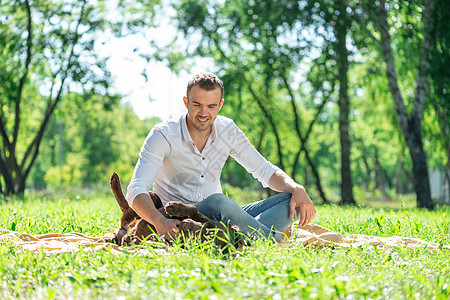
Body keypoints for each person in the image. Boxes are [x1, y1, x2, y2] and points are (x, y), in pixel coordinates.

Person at [126, 72, 316, 243]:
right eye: (196, 105)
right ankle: (269, 240)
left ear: (220, 105)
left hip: (222, 216)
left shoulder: (228, 130)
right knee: (218, 201)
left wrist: (297, 188)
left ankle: (239, 236)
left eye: (211, 106)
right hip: (181, 221)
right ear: (186, 102)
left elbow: (264, 170)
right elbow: (136, 188)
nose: (203, 113)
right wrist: (160, 221)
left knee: (294, 201)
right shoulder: (163, 134)